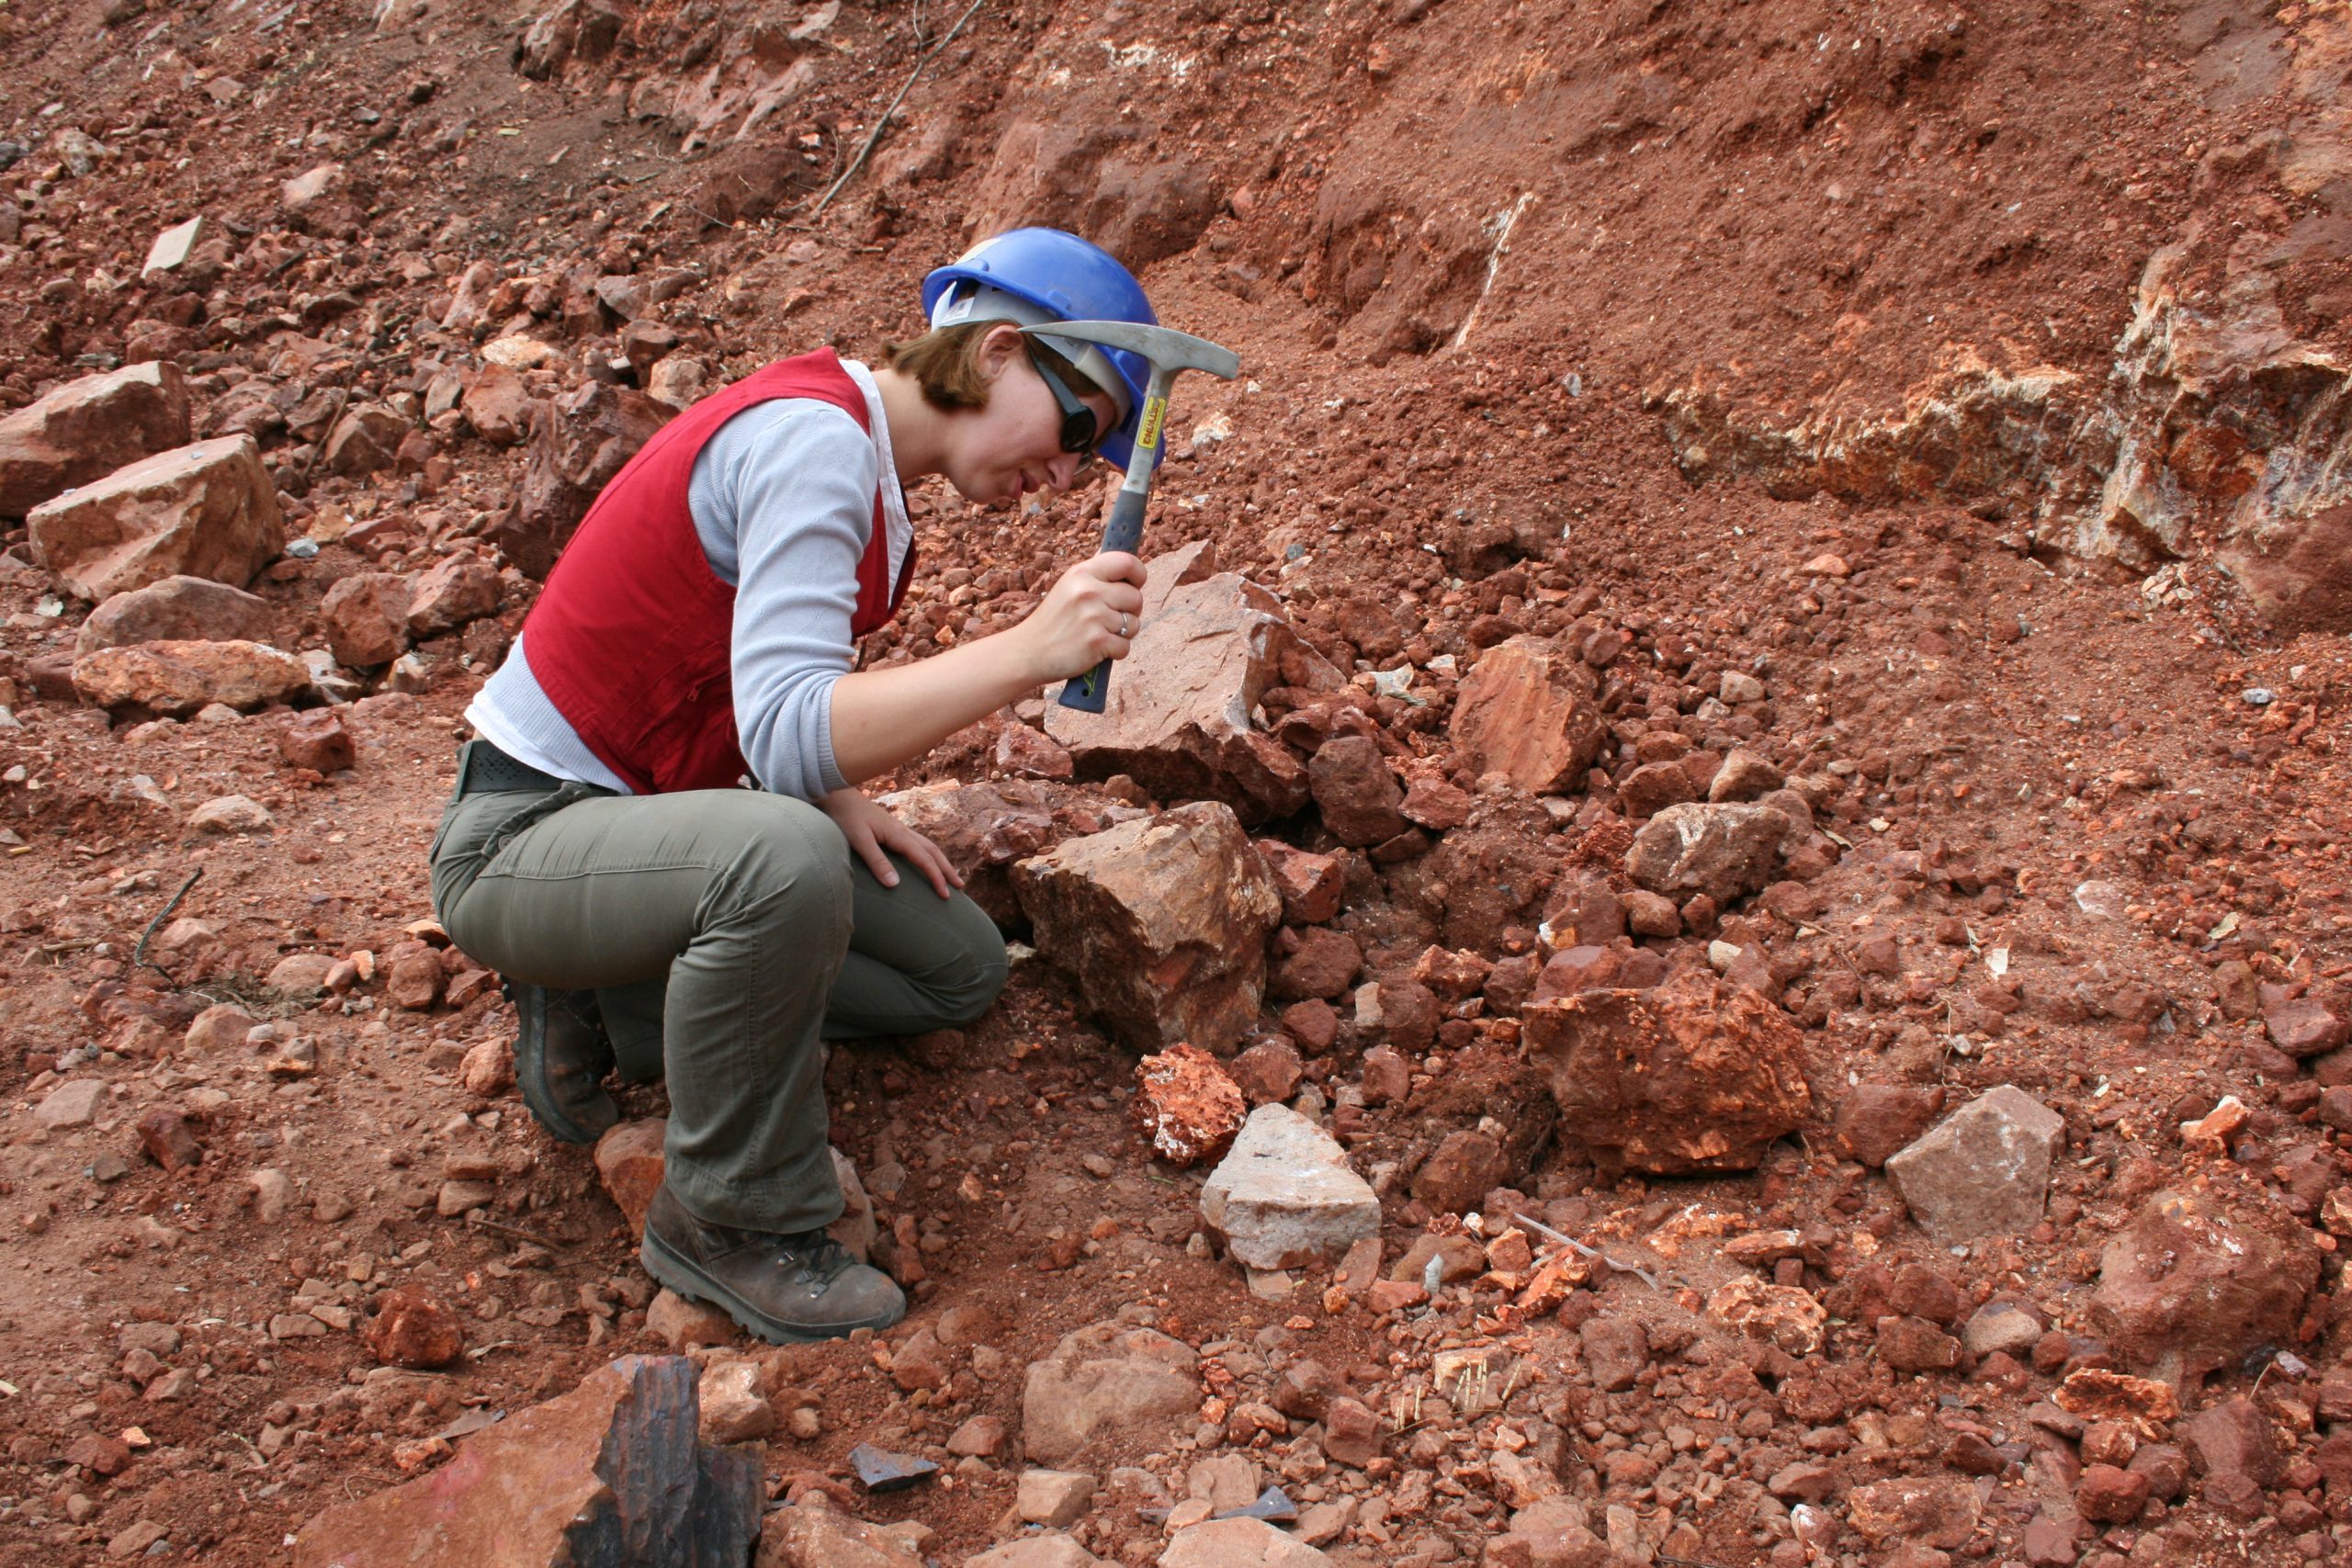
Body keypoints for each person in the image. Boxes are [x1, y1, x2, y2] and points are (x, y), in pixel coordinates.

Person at [427, 228, 1162, 1343]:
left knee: (954, 967)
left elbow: (751, 692)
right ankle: (731, 1218)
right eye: (1076, 432)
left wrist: (834, 793)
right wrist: (1028, 651)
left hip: (644, 823)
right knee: (782, 863)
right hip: (520, 835)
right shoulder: (814, 445)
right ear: (1002, 349)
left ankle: (617, 993)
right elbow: (783, 731)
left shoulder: (868, 469)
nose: (1066, 477)